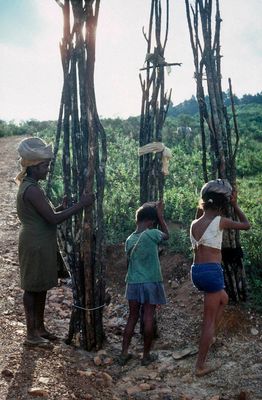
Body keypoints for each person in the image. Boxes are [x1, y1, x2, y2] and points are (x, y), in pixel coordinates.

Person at [15, 137, 94, 347]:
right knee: (32, 288)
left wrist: (60, 207)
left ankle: (39, 328)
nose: (48, 169)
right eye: (45, 166)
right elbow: (52, 219)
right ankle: (31, 334)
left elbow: (48, 214)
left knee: (39, 287)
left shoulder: (31, 186)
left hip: (38, 241)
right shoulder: (31, 189)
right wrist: (82, 205)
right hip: (35, 243)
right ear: (35, 167)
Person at [190, 179, 250, 377]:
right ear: (222, 203)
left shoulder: (194, 223)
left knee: (223, 298)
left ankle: (209, 338)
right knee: (208, 321)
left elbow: (201, 216)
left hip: (196, 272)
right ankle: (200, 365)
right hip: (211, 272)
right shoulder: (220, 222)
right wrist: (235, 205)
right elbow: (246, 225)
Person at [118, 201, 169, 366]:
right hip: (151, 281)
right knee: (148, 318)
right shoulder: (152, 233)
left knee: (132, 317)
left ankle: (124, 354)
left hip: (133, 282)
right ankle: (145, 356)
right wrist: (160, 217)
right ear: (150, 221)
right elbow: (167, 235)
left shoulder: (128, 240)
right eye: (153, 221)